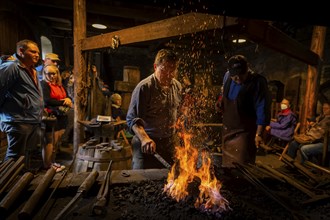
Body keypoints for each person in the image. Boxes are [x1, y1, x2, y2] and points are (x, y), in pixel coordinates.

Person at [126, 49, 182, 169]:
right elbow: (132, 120)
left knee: (173, 181)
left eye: (173, 71)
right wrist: (145, 138)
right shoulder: (144, 88)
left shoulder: (177, 86)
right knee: (141, 181)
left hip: (169, 142)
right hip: (146, 143)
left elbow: (178, 112)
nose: (169, 75)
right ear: (155, 66)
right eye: (164, 70)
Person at [220, 54, 271, 168]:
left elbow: (262, 108)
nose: (237, 78)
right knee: (227, 168)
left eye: (241, 74)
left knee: (241, 168)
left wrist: (259, 134)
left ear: (247, 69)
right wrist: (220, 101)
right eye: (235, 76)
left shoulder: (257, 82)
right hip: (227, 132)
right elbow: (223, 93)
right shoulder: (227, 76)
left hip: (245, 134)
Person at [0, 39, 44, 166]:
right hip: (17, 120)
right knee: (15, 156)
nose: (37, 55)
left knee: (26, 155)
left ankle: (21, 181)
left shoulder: (32, 69)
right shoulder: (11, 67)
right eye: (33, 52)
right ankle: (7, 183)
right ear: (21, 51)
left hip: (31, 119)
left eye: (38, 52)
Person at [40, 64, 73, 172]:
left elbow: (67, 96)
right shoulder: (44, 84)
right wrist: (64, 101)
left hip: (62, 115)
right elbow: (47, 101)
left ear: (57, 74)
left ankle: (52, 162)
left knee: (56, 142)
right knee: (49, 141)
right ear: (44, 74)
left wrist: (68, 99)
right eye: (48, 73)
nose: (51, 76)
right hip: (51, 116)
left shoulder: (60, 85)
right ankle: (47, 165)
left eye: (53, 73)